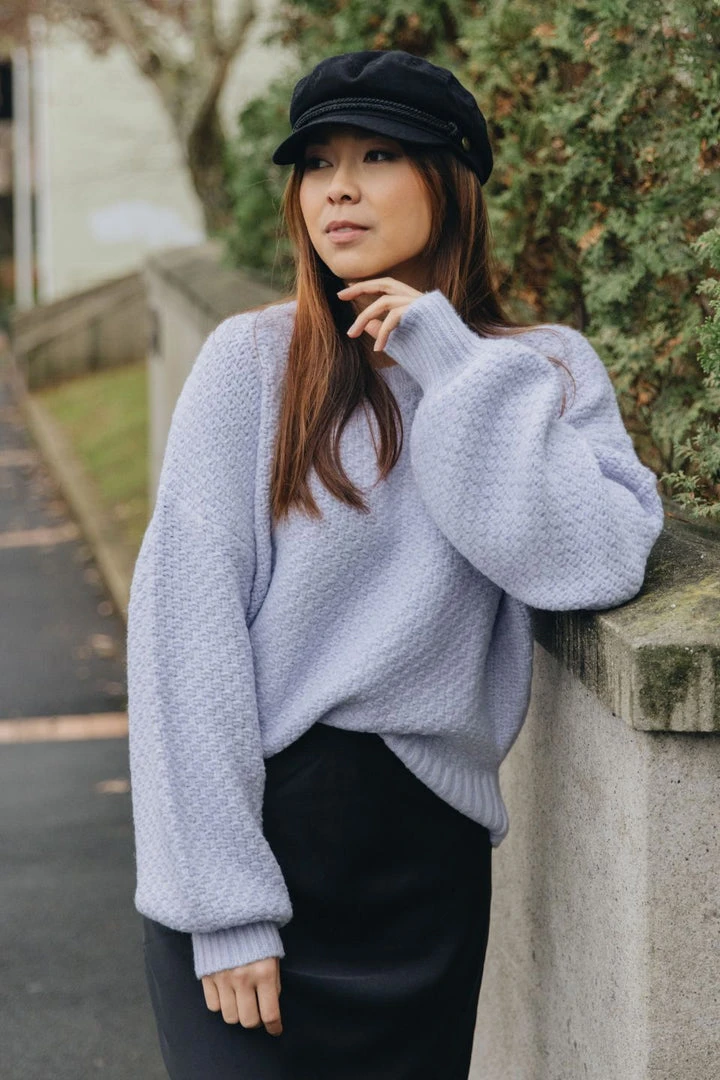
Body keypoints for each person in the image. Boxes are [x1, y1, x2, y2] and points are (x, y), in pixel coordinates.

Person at [126, 49, 665, 1080]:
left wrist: (450, 361)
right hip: (258, 836)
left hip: (426, 865)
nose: (338, 187)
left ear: (450, 180)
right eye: (317, 163)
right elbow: (183, 637)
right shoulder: (252, 364)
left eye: (377, 155)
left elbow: (591, 562)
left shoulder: (540, 370)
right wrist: (224, 905)